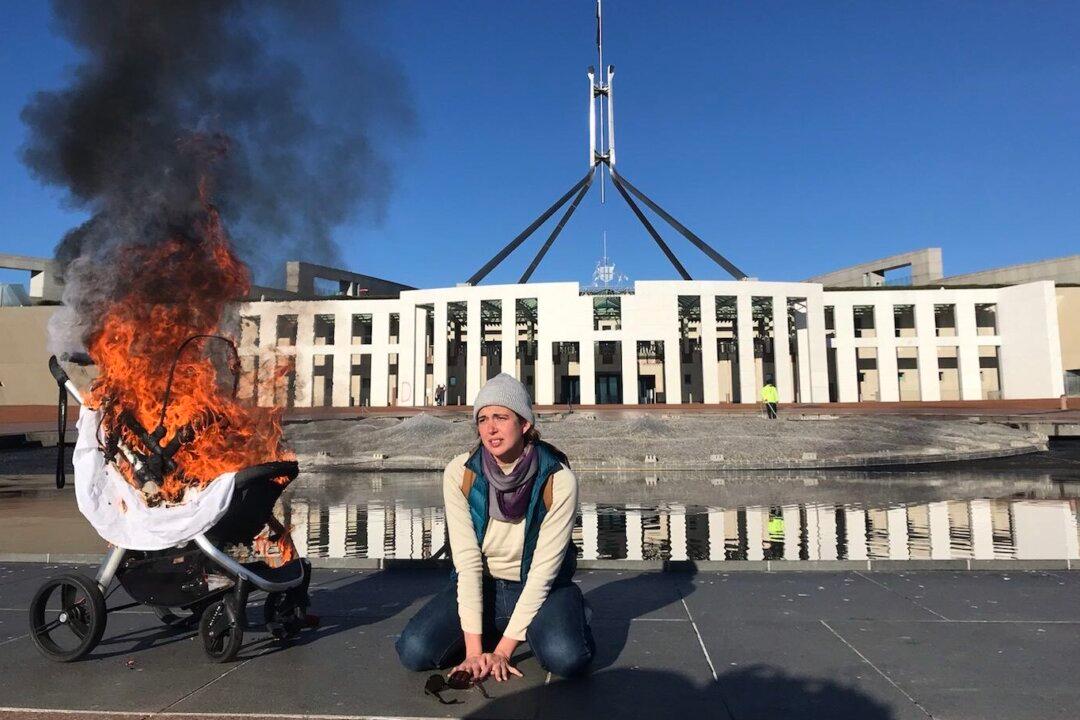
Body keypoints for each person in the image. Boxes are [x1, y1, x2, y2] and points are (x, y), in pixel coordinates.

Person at [396, 373, 594, 681]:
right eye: (483, 419)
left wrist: (503, 652)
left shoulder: (558, 479)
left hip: (539, 587)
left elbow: (543, 573)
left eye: (501, 417)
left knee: (567, 658)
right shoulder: (461, 474)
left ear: (525, 424)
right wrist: (474, 654)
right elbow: (467, 563)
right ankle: (490, 629)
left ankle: (564, 615)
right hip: (483, 585)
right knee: (414, 651)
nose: (490, 428)